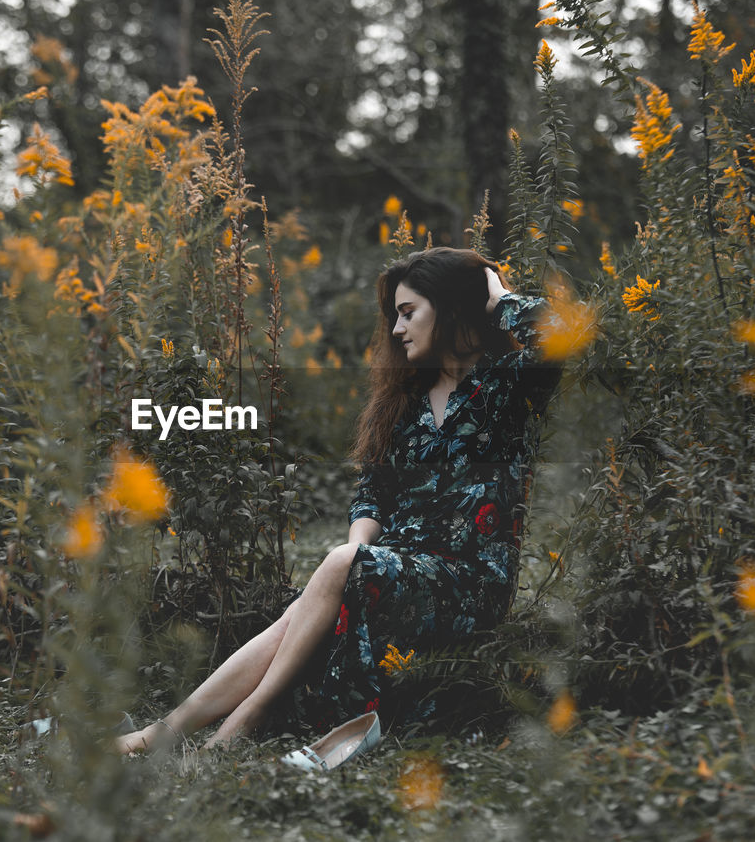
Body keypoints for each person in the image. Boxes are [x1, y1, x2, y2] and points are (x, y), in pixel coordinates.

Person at [115, 246, 561, 754]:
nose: (396, 329)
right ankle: (167, 733)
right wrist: (352, 562)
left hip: (469, 582)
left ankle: (234, 725)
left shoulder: (509, 383)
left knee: (339, 569)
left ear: (452, 306)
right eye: (395, 315)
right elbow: (372, 495)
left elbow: (565, 334)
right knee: (328, 582)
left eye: (408, 312)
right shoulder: (406, 401)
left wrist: (496, 296)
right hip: (396, 569)